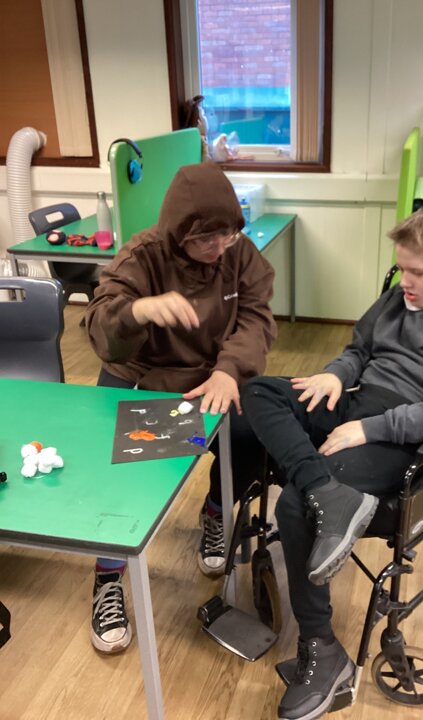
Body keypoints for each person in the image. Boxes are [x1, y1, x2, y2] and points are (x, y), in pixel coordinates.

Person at [241, 206, 423, 720]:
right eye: (401, 268)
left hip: (411, 438)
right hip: (360, 402)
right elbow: (359, 349)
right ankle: (327, 489)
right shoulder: (398, 297)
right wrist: (336, 375)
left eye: (417, 272)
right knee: (258, 392)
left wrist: (370, 429)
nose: (404, 281)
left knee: (295, 506)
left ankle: (323, 652)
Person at [85, 161, 276, 653]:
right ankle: (108, 576)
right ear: (178, 231)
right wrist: (138, 310)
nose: (218, 247)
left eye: (227, 234)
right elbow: (101, 326)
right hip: (146, 379)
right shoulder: (142, 256)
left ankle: (215, 512)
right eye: (205, 238)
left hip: (213, 375)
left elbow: (255, 318)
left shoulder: (240, 253)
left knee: (253, 438)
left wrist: (229, 370)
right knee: (130, 476)